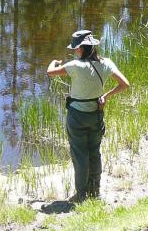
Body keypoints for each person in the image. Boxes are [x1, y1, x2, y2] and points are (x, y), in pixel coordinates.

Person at [46, 29, 130, 203]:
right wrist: (106, 96)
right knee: (94, 152)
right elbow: (124, 84)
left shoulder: (75, 66)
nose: (75, 51)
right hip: (96, 115)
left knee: (80, 155)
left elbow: (50, 73)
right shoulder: (107, 63)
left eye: (76, 48)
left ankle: (81, 194)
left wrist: (53, 62)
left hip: (77, 116)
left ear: (81, 49)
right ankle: (95, 191)